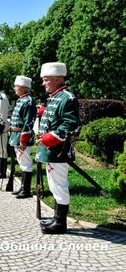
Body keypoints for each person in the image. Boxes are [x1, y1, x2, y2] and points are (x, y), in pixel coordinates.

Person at [37, 62, 81, 235]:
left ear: (57, 78)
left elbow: (71, 125)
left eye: (46, 80)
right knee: (54, 185)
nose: (43, 83)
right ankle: (56, 218)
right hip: (51, 150)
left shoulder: (67, 98)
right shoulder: (56, 97)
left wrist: (49, 138)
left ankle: (60, 223)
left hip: (59, 149)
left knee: (60, 185)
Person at [9, 76, 37, 199]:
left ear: (24, 88)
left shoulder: (28, 101)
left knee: (26, 163)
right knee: (22, 162)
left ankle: (26, 190)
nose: (14, 88)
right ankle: (23, 187)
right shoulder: (21, 100)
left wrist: (23, 139)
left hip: (22, 136)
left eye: (16, 86)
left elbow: (28, 122)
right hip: (16, 135)